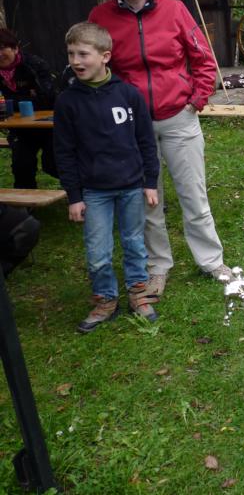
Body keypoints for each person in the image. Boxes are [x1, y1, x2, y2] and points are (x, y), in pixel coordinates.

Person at [88, 0, 231, 297]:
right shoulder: (100, 18)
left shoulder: (174, 9)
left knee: (193, 194)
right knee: (147, 201)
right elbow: (94, 66)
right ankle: (157, 267)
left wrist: (197, 98)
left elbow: (203, 58)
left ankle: (211, 260)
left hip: (179, 116)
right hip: (131, 125)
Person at [53, 22, 160, 332]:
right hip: (94, 191)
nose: (76, 61)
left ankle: (138, 294)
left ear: (105, 56)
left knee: (134, 243)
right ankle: (105, 300)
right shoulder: (67, 102)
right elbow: (64, 153)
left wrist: (149, 182)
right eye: (71, 54)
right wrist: (74, 197)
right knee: (98, 252)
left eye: (83, 54)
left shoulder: (129, 95)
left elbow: (146, 141)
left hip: (131, 187)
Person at [0, 28, 59, 189]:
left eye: (2, 48)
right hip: (20, 130)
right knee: (21, 166)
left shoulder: (34, 65)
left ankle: (83, 195)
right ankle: (25, 203)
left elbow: (47, 98)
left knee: (53, 165)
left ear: (15, 48)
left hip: (49, 127)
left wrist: (11, 102)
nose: (0, 54)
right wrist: (26, 98)